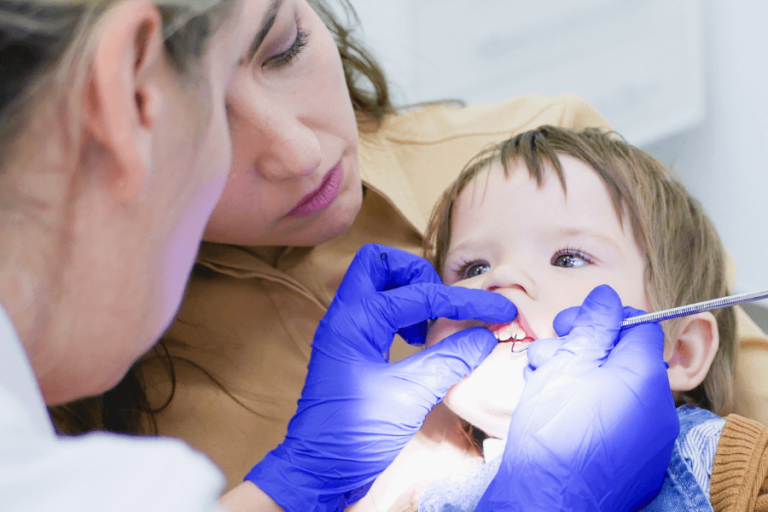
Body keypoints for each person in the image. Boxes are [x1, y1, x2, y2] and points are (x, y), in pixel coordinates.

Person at [0, 0, 683, 511]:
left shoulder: (558, 155)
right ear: (129, 95)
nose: (299, 153)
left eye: (286, 48)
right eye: (472, 268)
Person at [347, 125, 750, 511]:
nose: (501, 277)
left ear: (680, 351)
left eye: (568, 259)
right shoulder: (413, 495)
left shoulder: (731, 464)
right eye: (473, 268)